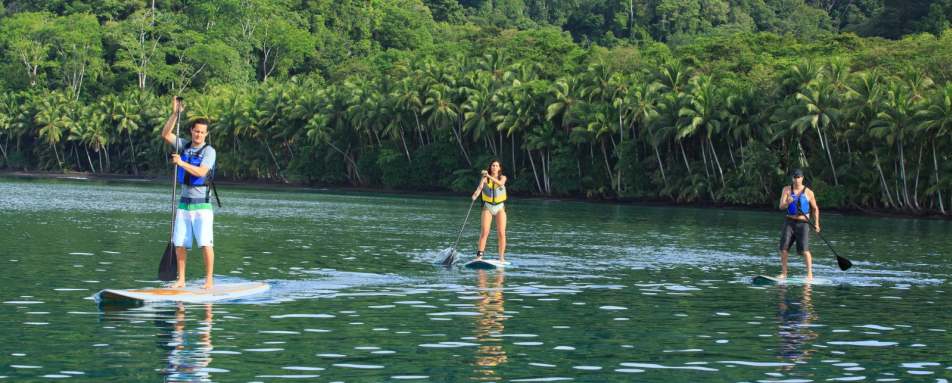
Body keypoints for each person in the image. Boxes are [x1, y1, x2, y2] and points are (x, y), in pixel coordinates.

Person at [161, 96, 217, 289]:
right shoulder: (184, 145)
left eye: (202, 132)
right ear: (191, 131)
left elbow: (201, 172)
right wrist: (175, 114)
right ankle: (181, 280)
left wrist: (182, 163)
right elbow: (166, 134)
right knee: (180, 244)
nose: (198, 135)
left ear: (206, 134)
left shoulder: (209, 151)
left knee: (205, 244)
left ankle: (209, 280)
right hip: (184, 204)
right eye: (196, 131)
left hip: (202, 205)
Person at [777, 168, 819, 281]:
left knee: (804, 251)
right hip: (789, 222)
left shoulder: (809, 192)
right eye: (795, 177)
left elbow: (815, 209)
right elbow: (781, 206)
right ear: (792, 178)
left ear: (802, 178)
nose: (796, 180)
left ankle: (810, 275)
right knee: (783, 248)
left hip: (803, 223)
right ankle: (784, 273)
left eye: (798, 177)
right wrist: (788, 202)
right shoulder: (786, 190)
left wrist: (817, 224)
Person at [471, 160, 507, 262]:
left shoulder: (502, 177)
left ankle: (501, 257)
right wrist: (475, 195)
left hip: (500, 207)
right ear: (490, 167)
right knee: (485, 232)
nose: (494, 167)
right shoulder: (485, 178)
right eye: (492, 166)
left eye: (496, 166)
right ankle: (479, 256)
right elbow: (480, 188)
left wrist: (488, 176)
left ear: (499, 168)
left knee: (501, 233)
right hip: (488, 206)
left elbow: (500, 184)